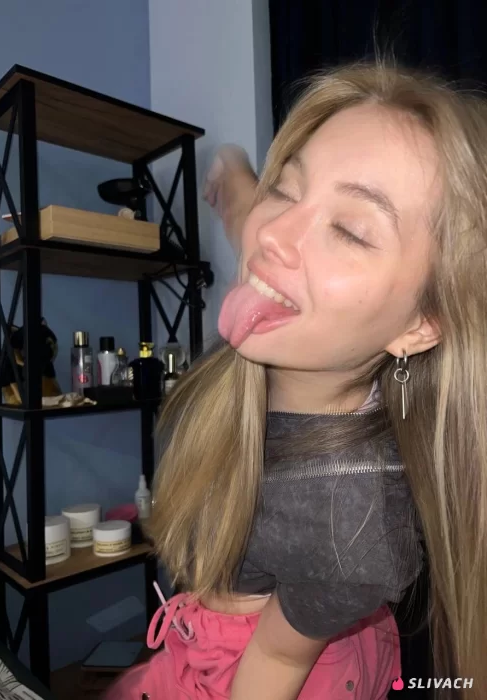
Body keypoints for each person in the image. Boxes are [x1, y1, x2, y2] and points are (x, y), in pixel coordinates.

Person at [106, 60, 487, 699]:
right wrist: (238, 181)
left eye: (349, 231)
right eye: (285, 189)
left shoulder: (350, 528)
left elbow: (276, 665)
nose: (272, 235)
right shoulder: (289, 306)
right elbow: (257, 230)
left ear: (421, 325)